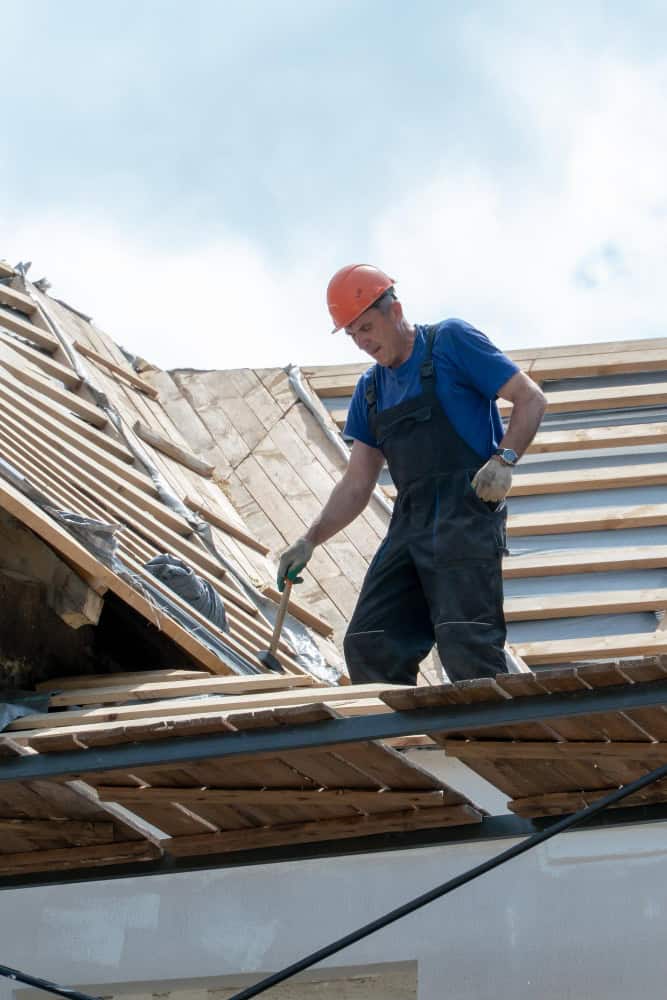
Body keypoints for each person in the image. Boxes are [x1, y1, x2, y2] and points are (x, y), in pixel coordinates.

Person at [278, 264, 546, 685]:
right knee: (369, 642)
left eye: (367, 327)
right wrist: (309, 540)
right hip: (411, 524)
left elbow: (530, 399)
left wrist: (504, 459)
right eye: (353, 335)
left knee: (466, 645)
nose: (363, 342)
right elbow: (356, 483)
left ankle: (497, 745)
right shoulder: (370, 390)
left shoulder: (450, 342)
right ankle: (402, 744)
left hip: (466, 513)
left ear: (395, 309)